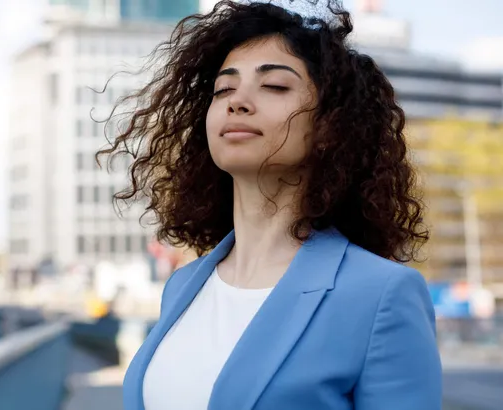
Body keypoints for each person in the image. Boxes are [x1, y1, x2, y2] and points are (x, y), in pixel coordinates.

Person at [96, 1, 442, 409]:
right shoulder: (183, 286)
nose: (237, 101)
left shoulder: (383, 295)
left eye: (274, 86)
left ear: (330, 127)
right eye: (223, 89)